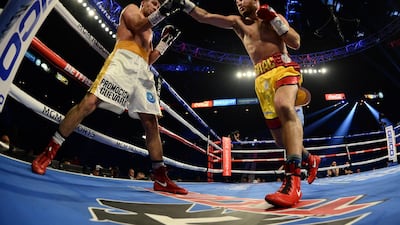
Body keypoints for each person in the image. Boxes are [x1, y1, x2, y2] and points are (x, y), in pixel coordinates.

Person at [31, 0, 188, 195]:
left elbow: (149, 58)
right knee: (89, 103)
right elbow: (138, 25)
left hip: (143, 70)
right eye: (154, 3)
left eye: (159, 6)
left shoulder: (150, 31)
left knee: (151, 122)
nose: (156, 7)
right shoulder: (131, 10)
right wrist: (164, 12)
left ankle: (161, 177)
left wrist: (165, 42)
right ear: (143, 2)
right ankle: (49, 152)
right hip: (123, 61)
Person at [181, 0, 320, 207]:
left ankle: (293, 181)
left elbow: (295, 42)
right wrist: (184, 4)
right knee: (282, 141)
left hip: (283, 68)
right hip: (261, 80)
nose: (237, 2)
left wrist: (273, 18)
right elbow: (205, 16)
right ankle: (309, 159)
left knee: (284, 106)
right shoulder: (238, 23)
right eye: (235, 0)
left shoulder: (274, 17)